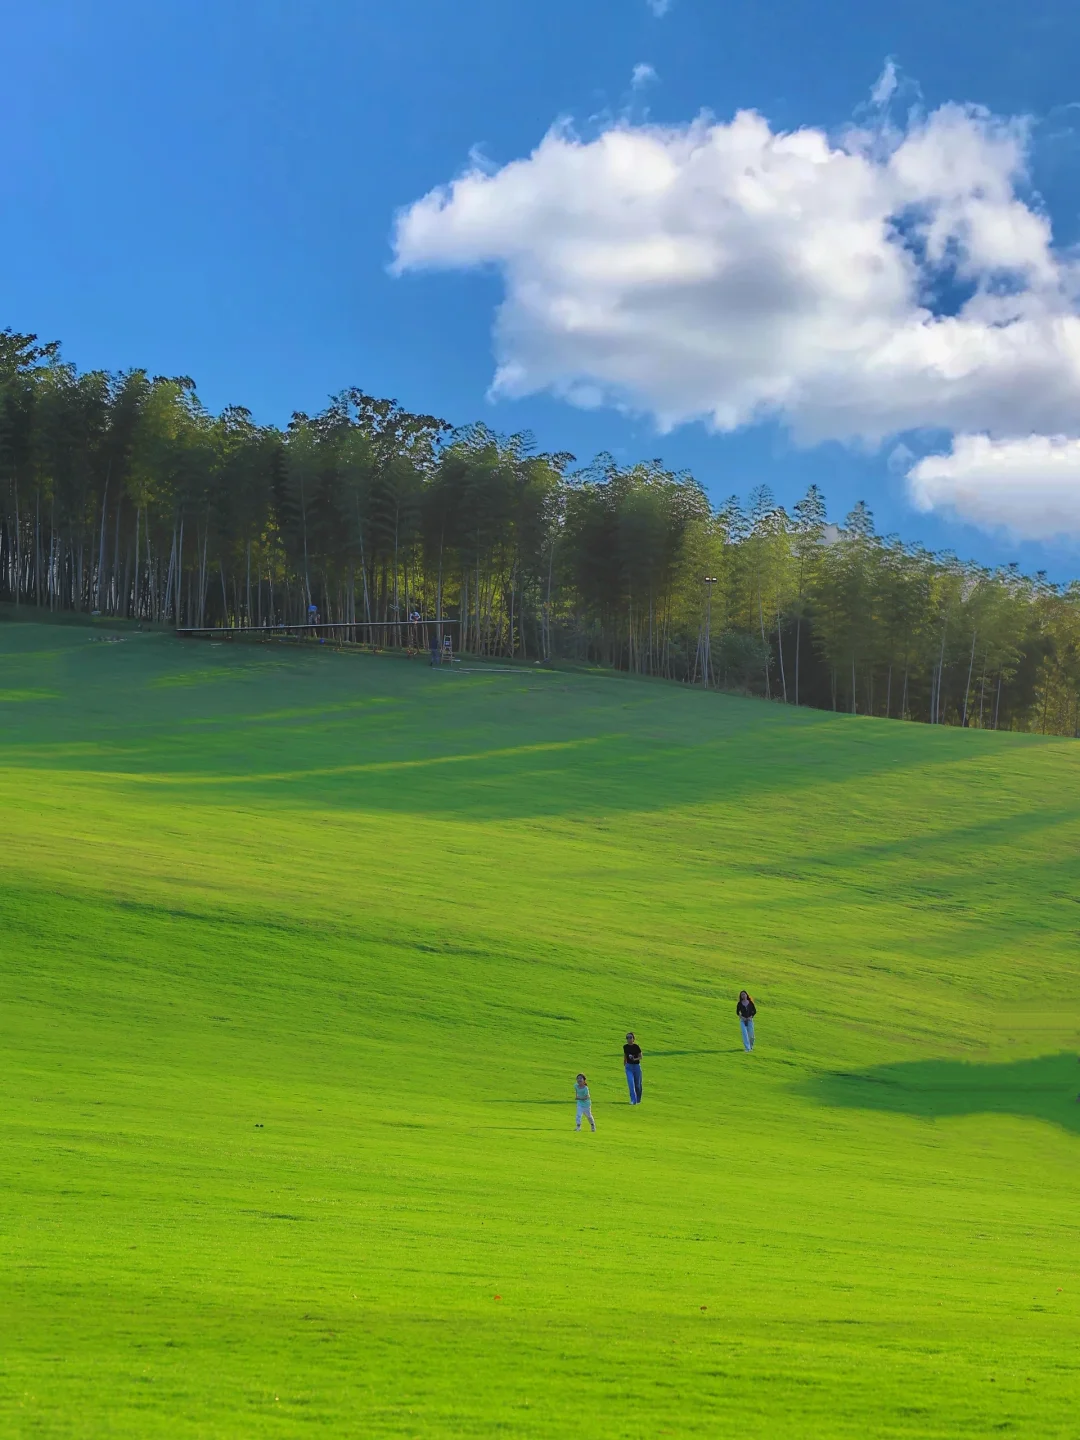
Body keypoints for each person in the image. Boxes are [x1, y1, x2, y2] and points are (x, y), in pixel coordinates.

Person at [623, 1032, 643, 1104]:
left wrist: (634, 1059)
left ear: (633, 1039)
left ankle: (638, 1099)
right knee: (631, 1083)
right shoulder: (625, 1047)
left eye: (630, 1037)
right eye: (627, 1038)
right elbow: (625, 1055)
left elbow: (641, 1057)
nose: (629, 1039)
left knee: (637, 1085)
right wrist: (624, 1063)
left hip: (636, 1067)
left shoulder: (636, 1047)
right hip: (629, 1067)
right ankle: (633, 1100)